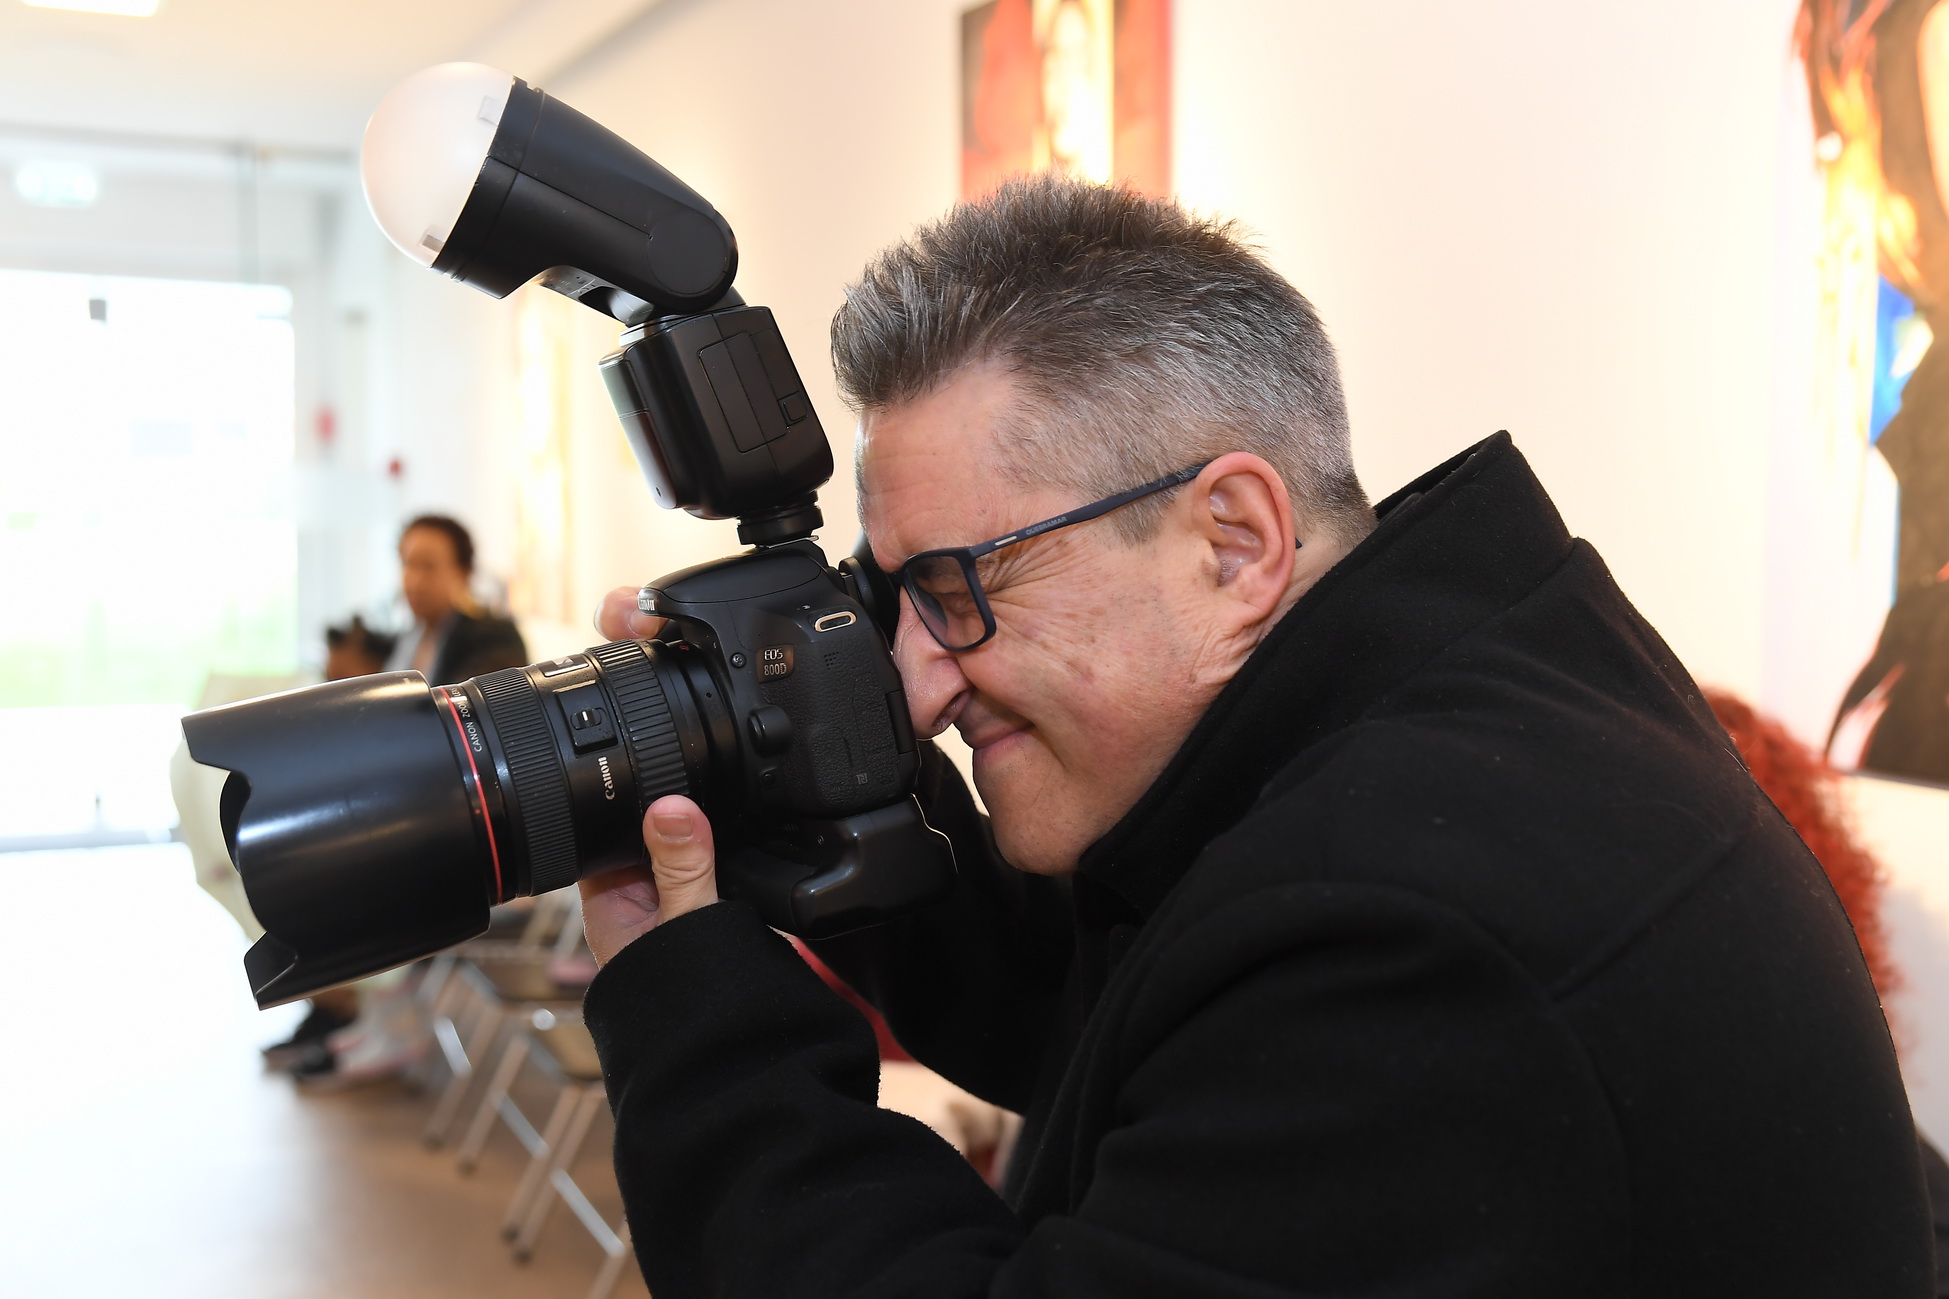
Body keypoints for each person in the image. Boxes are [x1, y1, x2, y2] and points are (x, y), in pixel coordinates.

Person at [578, 176, 1932, 1296]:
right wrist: (794, 777)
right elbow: (1109, 1001)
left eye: (956, 589)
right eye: (889, 602)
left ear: (1232, 540)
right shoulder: (1448, 704)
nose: (918, 684)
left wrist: (690, 1014)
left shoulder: (1414, 927)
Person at [391, 514, 527, 684]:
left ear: (464, 573)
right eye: (408, 563)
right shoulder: (412, 636)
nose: (414, 581)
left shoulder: (493, 639)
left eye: (429, 566)